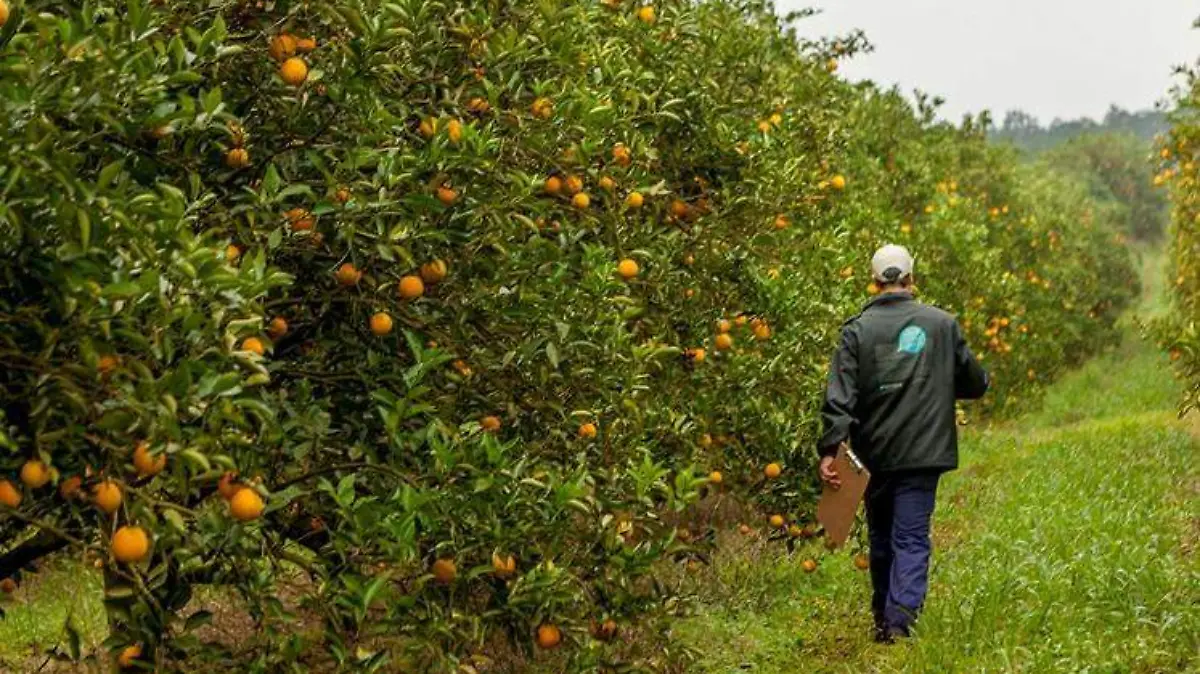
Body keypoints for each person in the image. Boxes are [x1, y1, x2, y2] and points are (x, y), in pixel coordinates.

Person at [817, 244, 989, 643]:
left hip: (873, 455)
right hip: (923, 452)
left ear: (874, 281)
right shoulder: (941, 325)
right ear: (912, 278)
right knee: (910, 536)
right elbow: (974, 382)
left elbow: (839, 397)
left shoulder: (856, 331)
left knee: (881, 536)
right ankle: (900, 620)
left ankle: (884, 615)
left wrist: (830, 449)